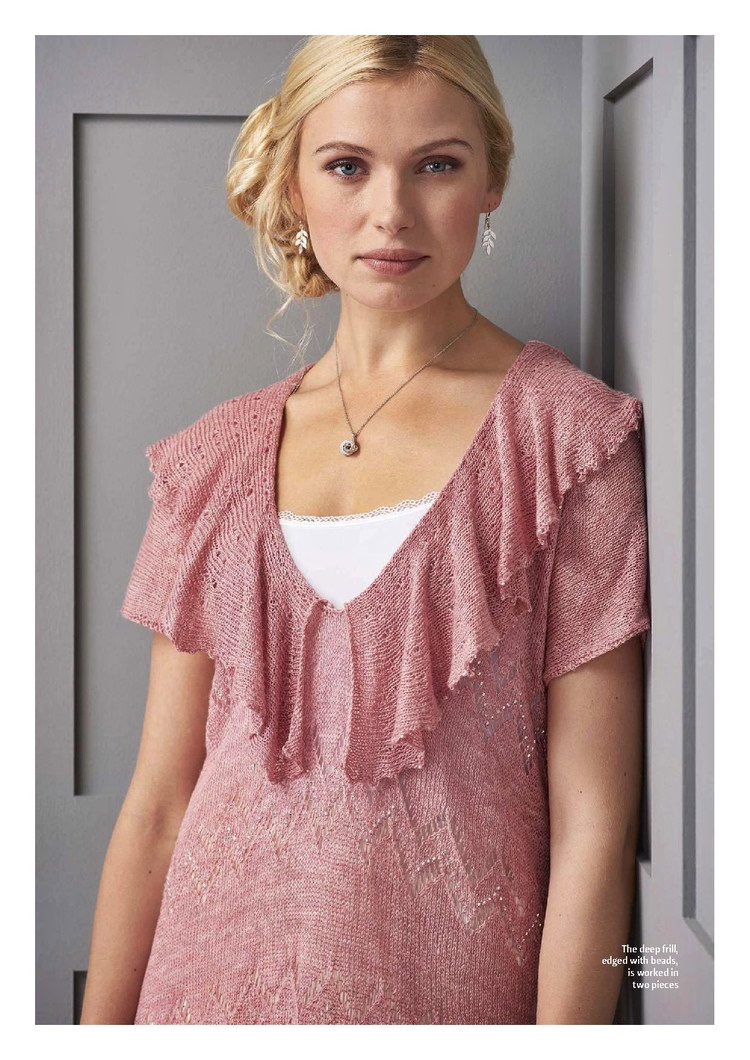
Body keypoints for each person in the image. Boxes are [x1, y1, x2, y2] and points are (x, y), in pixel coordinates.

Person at [81, 35, 650, 1025]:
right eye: (348, 165)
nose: (391, 211)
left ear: (492, 180)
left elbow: (594, 828)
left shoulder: (568, 441)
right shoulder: (212, 462)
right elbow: (159, 809)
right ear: (294, 183)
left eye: (437, 165)